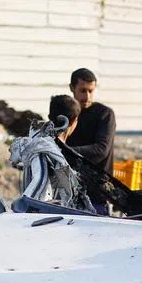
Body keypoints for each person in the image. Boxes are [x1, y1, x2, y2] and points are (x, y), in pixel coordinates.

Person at [55, 70, 116, 214]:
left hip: (97, 193)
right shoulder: (65, 113)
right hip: (68, 191)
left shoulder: (104, 114)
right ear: (72, 88)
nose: (87, 96)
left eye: (91, 91)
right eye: (83, 91)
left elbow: (101, 150)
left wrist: (65, 151)